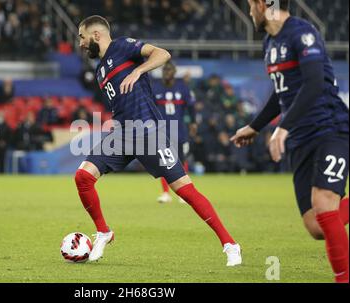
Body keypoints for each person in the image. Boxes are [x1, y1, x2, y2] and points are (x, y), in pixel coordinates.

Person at [75, 15, 242, 265]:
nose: (80, 43)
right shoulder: (100, 71)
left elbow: (162, 54)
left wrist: (138, 70)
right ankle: (103, 231)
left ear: (96, 35)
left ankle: (230, 244)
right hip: (122, 133)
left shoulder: (122, 46)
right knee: (83, 177)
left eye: (82, 37)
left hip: (147, 131)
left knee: (184, 189)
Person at [231, 0, 349, 283]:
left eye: (250, 5)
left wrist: (282, 127)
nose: (249, 12)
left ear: (264, 3)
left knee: (323, 204)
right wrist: (255, 127)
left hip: (329, 128)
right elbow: (280, 93)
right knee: (316, 226)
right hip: (301, 137)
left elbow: (314, 83)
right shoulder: (269, 44)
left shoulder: (302, 33)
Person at [152, 61, 196, 204]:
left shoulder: (182, 87)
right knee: (164, 162)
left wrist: (193, 123)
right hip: (162, 131)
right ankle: (165, 193)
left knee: (182, 161)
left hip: (179, 130)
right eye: (165, 70)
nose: (167, 72)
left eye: (170, 70)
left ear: (175, 72)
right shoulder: (156, 87)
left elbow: (191, 106)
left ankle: (184, 193)